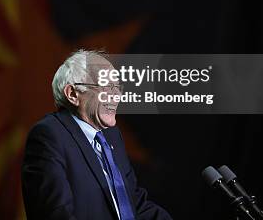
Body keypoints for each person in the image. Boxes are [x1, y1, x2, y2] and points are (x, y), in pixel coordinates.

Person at [22, 49, 172, 220]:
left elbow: (133, 204)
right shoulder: (49, 136)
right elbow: (55, 214)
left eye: (117, 87)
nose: (117, 95)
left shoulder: (112, 136)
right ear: (73, 94)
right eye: (108, 86)